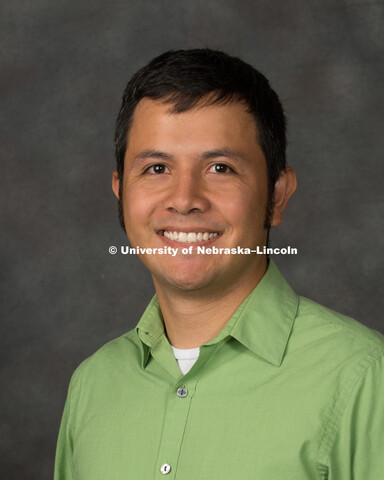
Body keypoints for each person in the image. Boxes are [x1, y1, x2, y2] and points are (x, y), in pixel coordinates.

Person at [54, 49, 384, 479]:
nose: (186, 199)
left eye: (220, 167)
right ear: (121, 193)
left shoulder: (363, 377)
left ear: (277, 196)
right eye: (156, 168)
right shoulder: (92, 386)